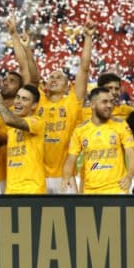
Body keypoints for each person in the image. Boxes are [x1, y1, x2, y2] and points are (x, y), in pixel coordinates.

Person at [38, 22, 94, 194]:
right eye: (51, 77)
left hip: (66, 175)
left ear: (68, 86)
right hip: (38, 175)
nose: (53, 79)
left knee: (70, 218)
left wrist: (88, 37)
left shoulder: (72, 101)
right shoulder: (38, 101)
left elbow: (84, 69)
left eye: (59, 77)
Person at [62, 88, 134, 194]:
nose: (110, 105)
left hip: (116, 188)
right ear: (92, 105)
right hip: (90, 190)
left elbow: (132, 154)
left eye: (111, 102)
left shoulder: (121, 125)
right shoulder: (80, 130)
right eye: (104, 102)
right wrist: (66, 178)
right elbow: (71, 159)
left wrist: (129, 176)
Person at [0, 82, 46, 194]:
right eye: (18, 97)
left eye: (25, 99)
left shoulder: (37, 122)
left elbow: (9, 119)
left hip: (32, 189)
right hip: (11, 189)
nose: (18, 101)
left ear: (34, 105)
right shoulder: (10, 128)